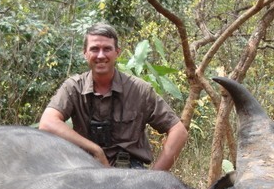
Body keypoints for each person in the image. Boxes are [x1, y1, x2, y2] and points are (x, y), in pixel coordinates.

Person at [38, 23, 188, 170]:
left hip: (129, 173)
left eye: (107, 49)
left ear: (117, 52)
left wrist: (155, 177)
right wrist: (96, 150)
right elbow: (47, 123)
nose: (101, 55)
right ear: (85, 53)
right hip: (86, 170)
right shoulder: (74, 87)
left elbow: (178, 131)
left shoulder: (139, 90)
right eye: (94, 49)